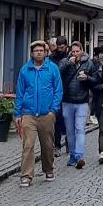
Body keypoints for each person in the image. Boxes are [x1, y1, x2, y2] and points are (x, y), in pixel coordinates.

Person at [14, 38, 63, 186]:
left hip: (46, 113)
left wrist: (53, 110)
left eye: (41, 50)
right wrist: (18, 113)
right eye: (36, 51)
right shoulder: (25, 70)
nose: (39, 53)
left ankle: (48, 169)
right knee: (28, 145)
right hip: (28, 113)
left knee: (47, 145)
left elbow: (58, 90)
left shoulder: (52, 68)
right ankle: (26, 175)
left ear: (46, 53)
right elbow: (20, 92)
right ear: (32, 53)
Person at [60, 39, 100, 169]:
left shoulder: (88, 63)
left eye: (77, 51)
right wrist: (68, 64)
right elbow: (58, 74)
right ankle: (72, 154)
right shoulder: (65, 61)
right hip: (67, 101)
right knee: (69, 131)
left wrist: (87, 78)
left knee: (80, 129)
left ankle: (79, 156)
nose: (75, 54)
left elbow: (95, 80)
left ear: (82, 51)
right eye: (73, 52)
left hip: (82, 101)